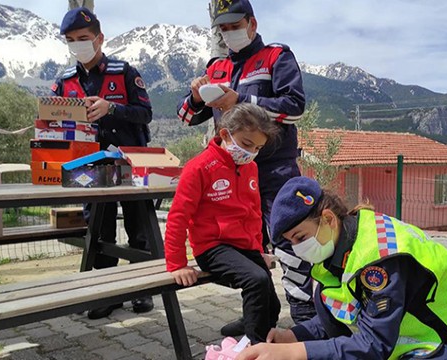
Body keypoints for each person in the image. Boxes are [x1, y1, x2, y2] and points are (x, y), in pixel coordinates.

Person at [235, 176, 447, 360]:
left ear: (327, 219)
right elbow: (345, 318)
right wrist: (294, 336)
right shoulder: (338, 250)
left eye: (300, 237)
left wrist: (291, 354)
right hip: (426, 340)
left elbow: (372, 346)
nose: (298, 248)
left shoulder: (378, 260)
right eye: (290, 242)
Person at [177, 0, 315, 335]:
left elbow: (295, 108)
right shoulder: (217, 66)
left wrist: (241, 99)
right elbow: (185, 117)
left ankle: (306, 321)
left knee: (289, 241)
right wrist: (197, 97)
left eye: (234, 26)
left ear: (251, 24)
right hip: (233, 172)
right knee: (245, 245)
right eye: (223, 28)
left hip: (276, 170)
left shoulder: (276, 57)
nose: (229, 33)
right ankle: (259, 315)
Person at [52, 7, 154, 319]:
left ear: (99, 39)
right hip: (88, 167)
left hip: (128, 163)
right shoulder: (63, 83)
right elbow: (53, 125)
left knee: (139, 229)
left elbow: (145, 114)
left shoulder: (124, 71)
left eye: (83, 38)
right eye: (71, 40)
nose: (77, 45)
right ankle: (108, 294)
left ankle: (142, 290)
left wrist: (112, 109)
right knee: (99, 231)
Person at [165, 103, 282, 344]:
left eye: (258, 148)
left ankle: (251, 323)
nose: (250, 152)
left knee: (272, 306)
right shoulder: (198, 168)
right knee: (256, 280)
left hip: (244, 246)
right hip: (212, 246)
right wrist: (177, 265)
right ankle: (254, 348)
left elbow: (254, 213)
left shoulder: (251, 167)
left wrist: (261, 251)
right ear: (225, 134)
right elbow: (178, 216)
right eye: (247, 144)